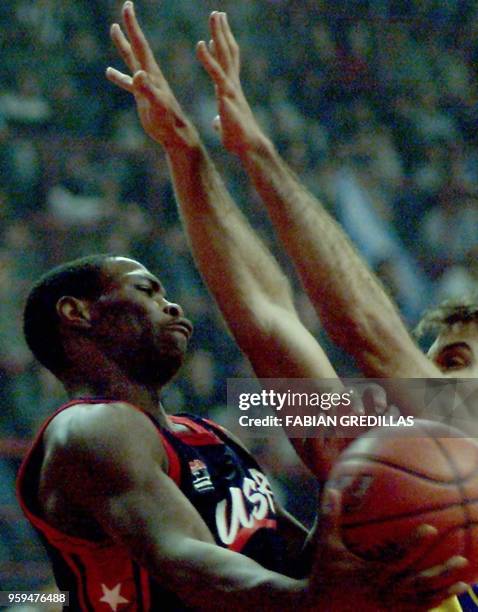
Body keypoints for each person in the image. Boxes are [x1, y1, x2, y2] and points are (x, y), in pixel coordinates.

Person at [16, 3, 470, 610]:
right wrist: (199, 154)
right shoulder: (105, 432)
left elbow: (359, 330)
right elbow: (270, 322)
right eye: (150, 292)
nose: (410, 375)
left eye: (435, 360)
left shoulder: (442, 436)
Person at [195, 12, 478, 611]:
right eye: (436, 361)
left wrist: (263, 157)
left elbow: (371, 335)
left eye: (458, 359)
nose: (431, 383)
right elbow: (267, 323)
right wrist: (188, 156)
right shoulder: (390, 466)